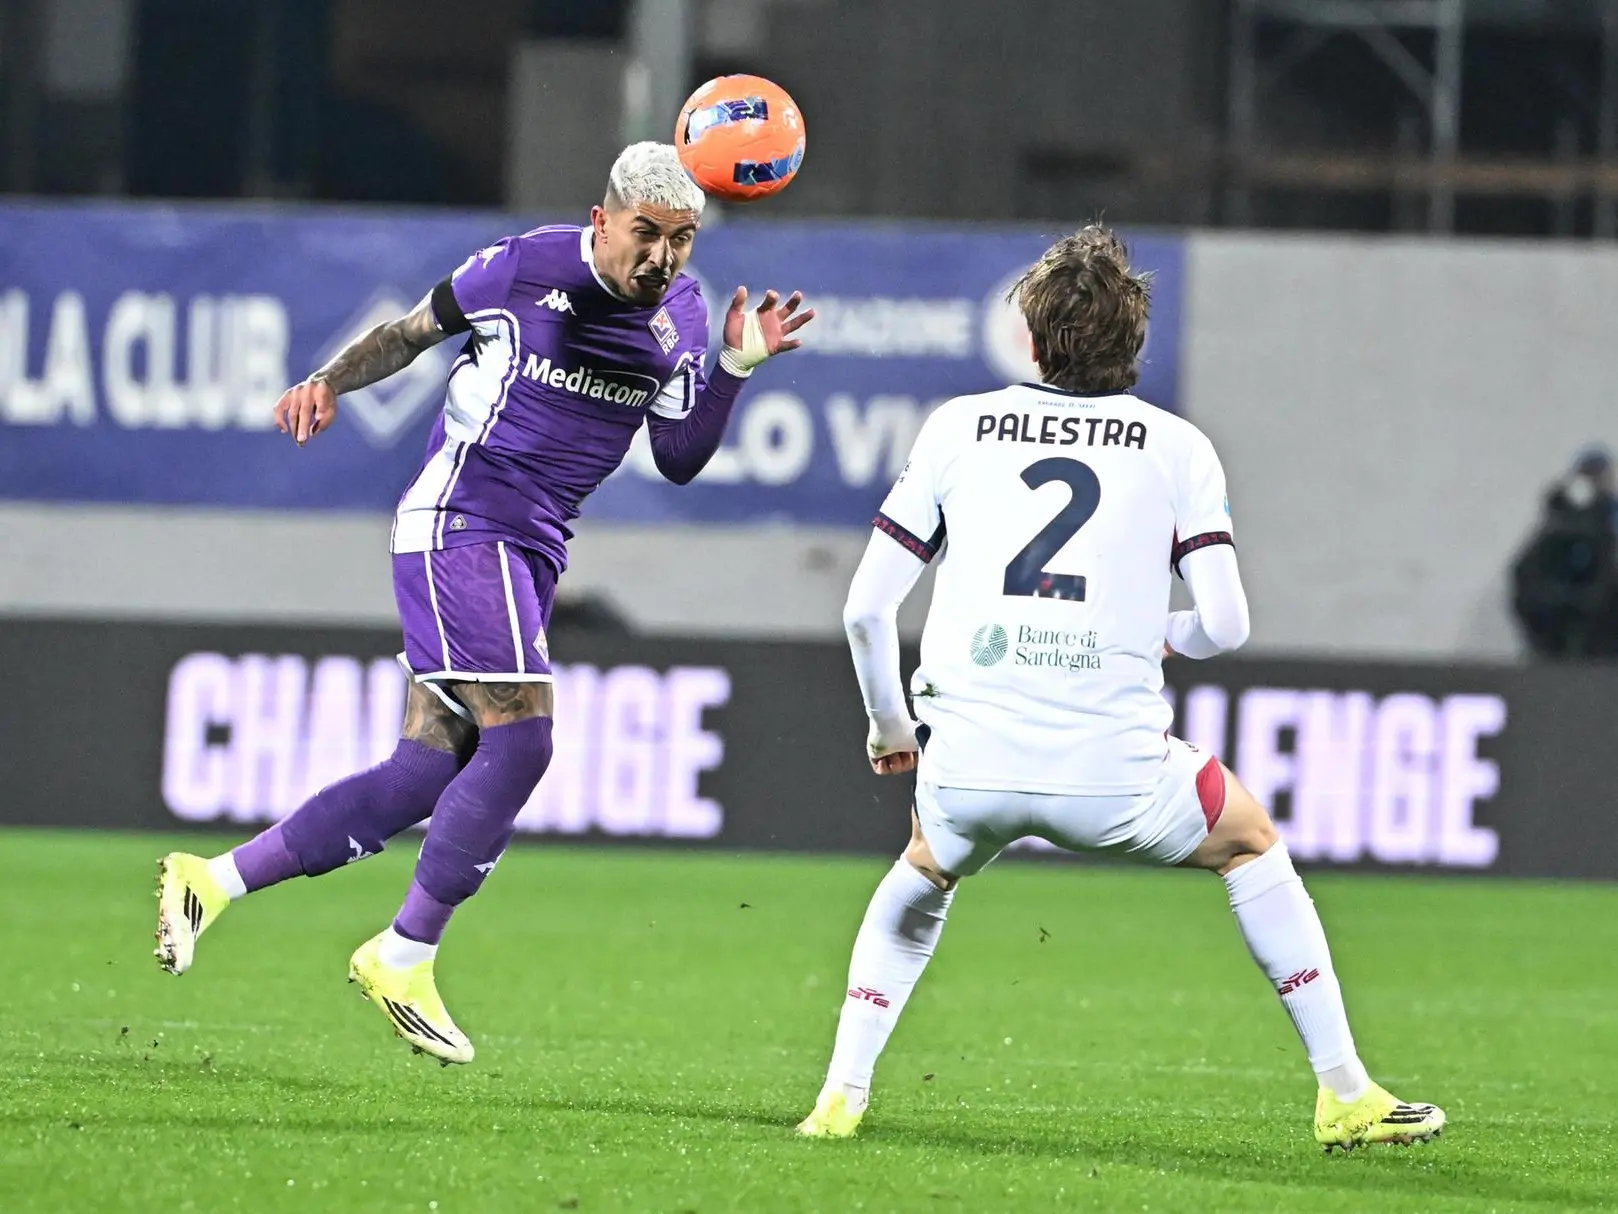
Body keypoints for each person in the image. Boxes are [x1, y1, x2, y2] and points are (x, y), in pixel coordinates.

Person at [153, 143, 813, 1064]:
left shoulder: (686, 313)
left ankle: (210, 880)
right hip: (462, 519)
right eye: (646, 235)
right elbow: (410, 331)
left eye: (683, 240)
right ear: (603, 220)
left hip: (535, 547)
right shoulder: (524, 266)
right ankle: (404, 952)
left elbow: (678, 456)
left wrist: (737, 368)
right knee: (526, 735)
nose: (661, 258)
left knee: (426, 768)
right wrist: (326, 383)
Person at [794, 226, 1444, 1152]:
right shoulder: (1179, 448)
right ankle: (1344, 1092)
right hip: (1116, 775)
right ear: (1134, 341)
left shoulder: (956, 428)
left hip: (968, 762)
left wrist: (890, 728)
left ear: (1030, 333)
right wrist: (1161, 637)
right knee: (1251, 843)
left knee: (924, 870)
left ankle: (840, 1098)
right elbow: (1225, 625)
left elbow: (865, 612)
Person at [1511, 445, 1618, 659]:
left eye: (1598, 475)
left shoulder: (1609, 515)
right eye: (1588, 475)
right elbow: (1527, 572)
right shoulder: (1559, 519)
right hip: (1557, 623)